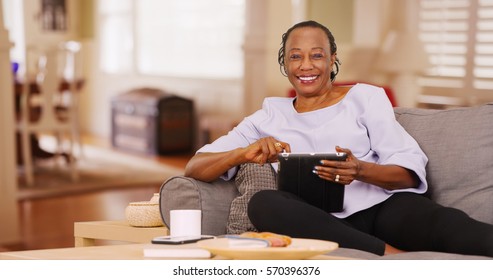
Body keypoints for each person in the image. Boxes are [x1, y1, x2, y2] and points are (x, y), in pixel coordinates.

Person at [184, 20, 493, 257]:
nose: (306, 66)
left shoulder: (365, 98)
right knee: (264, 203)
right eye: (296, 57)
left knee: (451, 227)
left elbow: (408, 173)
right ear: (285, 64)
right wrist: (242, 153)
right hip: (318, 219)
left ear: (332, 60)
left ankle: (365, 248)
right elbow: (195, 166)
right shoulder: (267, 116)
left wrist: (361, 170)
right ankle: (388, 256)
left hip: (385, 208)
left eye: (316, 55)